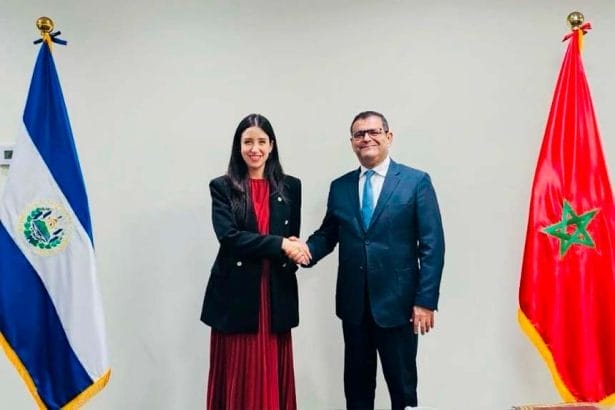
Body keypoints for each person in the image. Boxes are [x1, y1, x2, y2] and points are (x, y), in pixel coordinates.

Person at [296, 111, 445, 409]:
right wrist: (303, 250)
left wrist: (425, 301)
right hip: (354, 307)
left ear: (389, 137)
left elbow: (433, 245)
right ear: (352, 142)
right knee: (357, 390)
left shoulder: (416, 182)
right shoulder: (340, 187)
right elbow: (328, 234)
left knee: (403, 390)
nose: (366, 138)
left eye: (374, 132)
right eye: (359, 134)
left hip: (399, 306)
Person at [200, 113, 309, 410]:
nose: (255, 148)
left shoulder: (291, 187)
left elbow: (291, 238)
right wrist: (281, 244)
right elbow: (230, 238)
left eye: (261, 141)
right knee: (241, 376)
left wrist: (295, 249)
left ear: (271, 145)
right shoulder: (222, 187)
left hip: (275, 296)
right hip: (237, 297)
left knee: (272, 375)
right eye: (248, 142)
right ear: (238, 147)